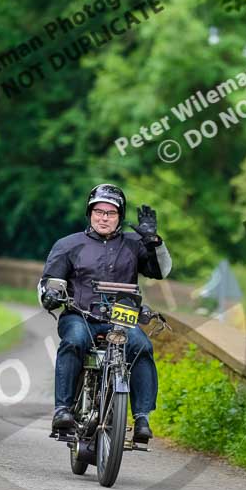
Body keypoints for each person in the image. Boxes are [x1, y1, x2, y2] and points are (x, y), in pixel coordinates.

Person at [38, 183, 172, 443]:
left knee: (142, 347)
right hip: (80, 315)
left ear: (120, 217)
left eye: (110, 213)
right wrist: (51, 295)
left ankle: (142, 418)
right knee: (74, 341)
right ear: (90, 213)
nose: (104, 217)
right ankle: (62, 410)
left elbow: (160, 271)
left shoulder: (135, 245)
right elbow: (49, 281)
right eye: (98, 211)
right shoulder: (68, 245)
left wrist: (154, 242)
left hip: (122, 319)